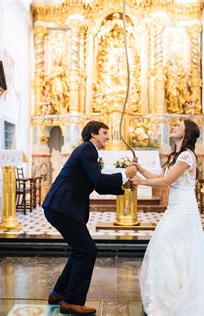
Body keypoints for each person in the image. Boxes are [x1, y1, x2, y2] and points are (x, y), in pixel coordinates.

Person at [131, 119, 204, 316]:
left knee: (166, 244)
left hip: (183, 210)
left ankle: (177, 295)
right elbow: (159, 175)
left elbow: (167, 181)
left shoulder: (187, 156)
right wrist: (141, 169)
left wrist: (141, 182)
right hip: (174, 208)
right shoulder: (175, 155)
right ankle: (173, 293)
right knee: (169, 247)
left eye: (178, 125)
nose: (173, 127)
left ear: (187, 133)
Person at [42, 120, 137, 315]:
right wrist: (124, 173)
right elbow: (99, 180)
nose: (108, 137)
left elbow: (99, 185)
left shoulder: (88, 151)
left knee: (80, 250)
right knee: (87, 251)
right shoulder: (88, 149)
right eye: (104, 133)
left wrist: (123, 184)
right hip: (62, 206)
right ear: (93, 134)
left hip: (61, 206)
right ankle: (71, 301)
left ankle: (59, 293)